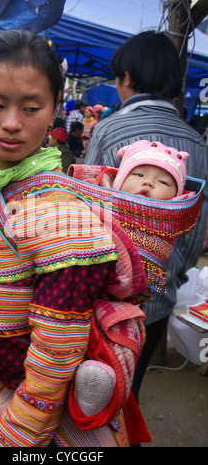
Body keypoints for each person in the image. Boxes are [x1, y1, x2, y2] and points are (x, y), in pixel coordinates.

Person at [0, 30, 152, 448]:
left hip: (41, 425)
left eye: (31, 107)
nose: (12, 123)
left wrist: (11, 438)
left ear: (53, 109)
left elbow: (55, 357)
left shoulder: (66, 222)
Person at [85, 31, 208, 402]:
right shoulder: (198, 142)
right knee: (128, 394)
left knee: (91, 397)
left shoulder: (110, 129)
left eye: (118, 78)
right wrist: (167, 274)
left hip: (102, 301)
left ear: (129, 78)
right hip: (158, 299)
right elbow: (198, 226)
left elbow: (88, 209)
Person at [72, 140, 191, 418]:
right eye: (138, 175)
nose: (148, 184)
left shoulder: (169, 219)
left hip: (130, 305)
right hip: (80, 293)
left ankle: (100, 396)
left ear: (177, 194)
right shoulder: (97, 197)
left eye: (163, 180)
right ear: (120, 177)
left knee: (123, 346)